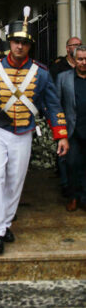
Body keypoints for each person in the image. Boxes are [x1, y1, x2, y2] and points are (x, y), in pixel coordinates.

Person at [0, 6, 69, 255]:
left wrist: (60, 134)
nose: (19, 47)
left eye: (24, 43)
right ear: (9, 43)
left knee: (15, 181)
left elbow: (52, 105)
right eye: (15, 42)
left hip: (24, 130)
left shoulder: (42, 73)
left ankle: (6, 223)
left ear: (30, 46)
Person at [56, 45, 86, 211]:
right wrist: (60, 131)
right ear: (74, 60)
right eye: (80, 59)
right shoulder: (63, 78)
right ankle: (73, 197)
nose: (83, 62)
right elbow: (57, 105)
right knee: (72, 165)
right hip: (72, 130)